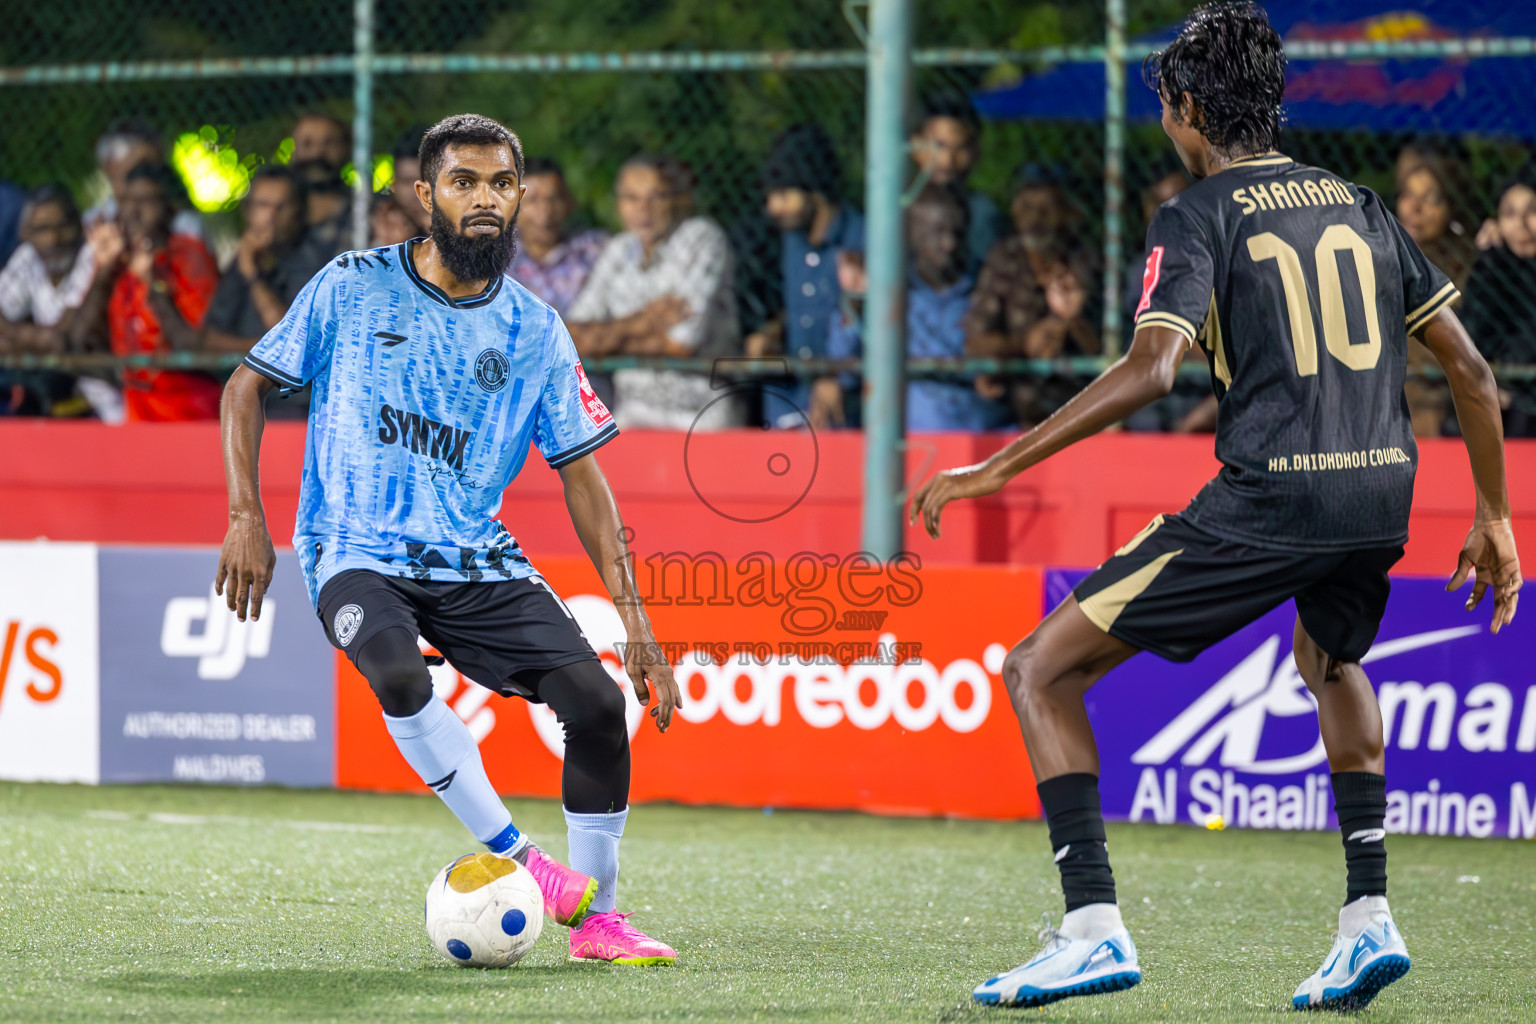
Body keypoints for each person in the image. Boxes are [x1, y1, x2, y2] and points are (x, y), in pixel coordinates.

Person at [912, 2, 1520, 1011]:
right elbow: (1471, 369)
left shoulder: (1197, 214)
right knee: (1333, 660)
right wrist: (1493, 513)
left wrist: (993, 468)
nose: (1166, 127)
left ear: (1190, 109)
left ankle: (1091, 926)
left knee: (1038, 668)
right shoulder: (1363, 204)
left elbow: (1155, 369)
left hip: (1272, 495)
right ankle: (1368, 918)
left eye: (1165, 110)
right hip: (1381, 489)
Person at [216, 113, 680, 967]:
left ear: (521, 196)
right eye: (464, 182)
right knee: (394, 669)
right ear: (425, 195)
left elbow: (583, 474)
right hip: (352, 544)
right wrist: (247, 515)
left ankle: (600, 923)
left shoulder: (536, 329)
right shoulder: (353, 285)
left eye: (500, 184)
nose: (484, 200)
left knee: (599, 708)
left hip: (472, 556)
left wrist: (635, 619)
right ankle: (519, 859)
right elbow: (245, 388)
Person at [567, 154, 742, 430]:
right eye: (631, 198)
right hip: (633, 411)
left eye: (656, 197)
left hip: (699, 411)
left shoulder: (701, 238)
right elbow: (572, 338)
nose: (643, 209)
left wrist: (602, 340)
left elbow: (680, 343)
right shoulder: (619, 248)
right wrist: (643, 321)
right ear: (619, 205)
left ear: (676, 200)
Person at [829, 184, 1008, 431]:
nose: (949, 244)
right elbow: (843, 368)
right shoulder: (887, 291)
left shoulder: (989, 286)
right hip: (909, 440)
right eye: (937, 233)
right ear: (913, 233)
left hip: (983, 433)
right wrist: (855, 301)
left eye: (957, 233)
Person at [67, 161, 221, 421]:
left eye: (147, 202)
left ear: (169, 211)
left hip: (189, 410)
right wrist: (104, 272)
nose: (134, 212)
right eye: (126, 202)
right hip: (136, 412)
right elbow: (79, 338)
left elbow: (194, 345)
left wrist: (154, 285)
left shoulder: (188, 256)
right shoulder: (118, 260)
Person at [965, 164, 1101, 429]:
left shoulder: (1086, 259)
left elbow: (1111, 351)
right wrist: (1024, 344)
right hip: (1013, 406)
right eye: (1026, 208)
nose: (1035, 220)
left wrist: (1072, 322)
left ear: (1068, 213)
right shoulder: (1004, 259)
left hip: (1077, 406)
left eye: (1046, 210)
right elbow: (976, 343)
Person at [750, 124, 864, 430]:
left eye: (784, 194)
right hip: (791, 393)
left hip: (848, 398)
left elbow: (861, 317)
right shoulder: (790, 241)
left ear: (814, 190)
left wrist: (835, 376)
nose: (773, 207)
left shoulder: (859, 237)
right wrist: (773, 333)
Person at [204, 165, 331, 355]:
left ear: (299, 213)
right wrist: (264, 350)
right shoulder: (246, 255)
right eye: (263, 205)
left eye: (282, 207)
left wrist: (252, 275)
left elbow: (292, 341)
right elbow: (210, 339)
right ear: (248, 212)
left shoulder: (314, 259)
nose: (271, 216)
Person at [0, 186, 98, 417]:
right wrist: (32, 337)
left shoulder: (92, 255)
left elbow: (63, 336)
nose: (53, 239)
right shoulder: (28, 257)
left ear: (79, 226)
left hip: (100, 392)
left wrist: (15, 340)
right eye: (42, 229)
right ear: (26, 233)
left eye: (62, 226)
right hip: (55, 386)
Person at [1460, 167, 1536, 437]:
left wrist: (1513, 394)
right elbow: (1471, 332)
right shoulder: (1495, 269)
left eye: (1532, 212)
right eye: (1510, 214)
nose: (1521, 224)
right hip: (1494, 401)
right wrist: (1486, 261)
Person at [909, 94, 1006, 271]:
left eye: (960, 148)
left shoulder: (984, 215)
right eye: (938, 146)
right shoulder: (895, 212)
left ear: (976, 152)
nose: (947, 161)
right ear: (915, 145)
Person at [509, 157, 608, 317]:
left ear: (570, 203)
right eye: (533, 200)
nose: (546, 210)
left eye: (554, 199)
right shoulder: (495, 263)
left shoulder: (598, 250)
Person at [83, 119, 205, 241]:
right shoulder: (94, 225)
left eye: (152, 168)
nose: (149, 175)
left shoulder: (184, 225)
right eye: (138, 170)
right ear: (111, 172)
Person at [289, 111, 353, 256]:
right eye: (307, 144)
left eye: (328, 143)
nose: (317, 153)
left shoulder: (367, 208)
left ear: (345, 149)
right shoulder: (276, 209)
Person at [388, 125, 431, 236]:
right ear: (393, 185)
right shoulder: (379, 225)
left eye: (423, 180)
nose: (416, 189)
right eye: (407, 181)